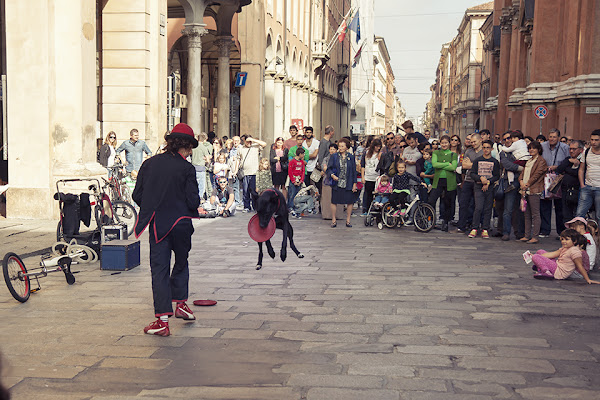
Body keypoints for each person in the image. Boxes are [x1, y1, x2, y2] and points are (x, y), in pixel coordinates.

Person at [132, 123, 200, 337]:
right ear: (187, 147)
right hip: (181, 224)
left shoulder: (149, 164)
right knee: (181, 262)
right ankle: (180, 303)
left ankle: (162, 321)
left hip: (158, 224)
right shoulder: (187, 169)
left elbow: (137, 196)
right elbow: (193, 200)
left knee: (159, 269)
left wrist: (155, 204)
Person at [530, 229, 600, 283]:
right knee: (540, 251)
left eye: (567, 239)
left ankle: (546, 271)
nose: (563, 241)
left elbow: (580, 266)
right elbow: (552, 254)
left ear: (574, 241)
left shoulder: (575, 251)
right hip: (557, 265)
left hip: (559, 271)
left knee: (536, 257)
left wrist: (588, 279)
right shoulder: (565, 248)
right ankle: (541, 266)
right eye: (562, 239)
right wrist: (535, 255)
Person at [468, 140, 501, 239]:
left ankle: (485, 228)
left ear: (491, 149)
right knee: (478, 207)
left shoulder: (495, 162)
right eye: (484, 147)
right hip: (478, 186)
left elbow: (496, 176)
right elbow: (472, 173)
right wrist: (480, 178)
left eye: (488, 148)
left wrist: (488, 182)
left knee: (488, 208)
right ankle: (474, 228)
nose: (486, 150)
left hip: (490, 187)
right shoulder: (478, 160)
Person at [540, 128, 569, 237]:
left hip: (559, 179)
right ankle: (545, 230)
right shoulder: (543, 146)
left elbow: (567, 161)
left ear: (558, 138)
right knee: (545, 205)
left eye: (554, 137)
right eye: (550, 136)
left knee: (559, 206)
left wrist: (558, 167)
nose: (552, 139)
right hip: (545, 178)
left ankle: (561, 231)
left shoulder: (565, 147)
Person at [519, 141, 548, 244]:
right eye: (530, 148)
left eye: (534, 148)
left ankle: (535, 236)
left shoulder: (541, 161)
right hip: (525, 190)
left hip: (534, 189)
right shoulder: (529, 160)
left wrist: (527, 184)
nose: (531, 150)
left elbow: (537, 175)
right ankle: (527, 235)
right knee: (526, 214)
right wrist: (521, 182)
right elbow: (522, 173)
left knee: (535, 214)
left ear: (539, 150)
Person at [428, 135, 458, 232]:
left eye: (446, 142)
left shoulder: (453, 155)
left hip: (450, 181)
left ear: (449, 143)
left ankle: (445, 222)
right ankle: (431, 220)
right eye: (442, 143)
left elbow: (453, 167)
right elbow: (434, 164)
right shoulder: (436, 152)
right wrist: (446, 164)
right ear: (440, 143)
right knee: (432, 200)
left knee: (447, 203)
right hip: (438, 181)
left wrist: (441, 165)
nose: (444, 144)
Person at [500, 132, 525, 241]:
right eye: (505, 139)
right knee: (508, 209)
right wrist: (520, 168)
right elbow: (507, 164)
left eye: (509, 138)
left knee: (520, 209)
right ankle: (506, 232)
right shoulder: (503, 152)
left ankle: (519, 232)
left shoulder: (521, 149)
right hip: (509, 183)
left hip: (522, 182)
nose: (507, 140)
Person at [327, 138, 358, 228]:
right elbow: (329, 168)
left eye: (342, 146)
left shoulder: (351, 157)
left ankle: (348, 220)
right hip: (337, 182)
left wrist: (354, 183)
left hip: (348, 182)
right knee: (334, 201)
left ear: (346, 147)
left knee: (349, 201)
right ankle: (333, 220)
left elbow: (353, 171)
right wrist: (332, 175)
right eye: (339, 146)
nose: (340, 148)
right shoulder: (334, 156)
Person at [457, 133, 483, 233]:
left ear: (480, 140)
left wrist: (471, 165)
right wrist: (475, 165)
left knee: (477, 205)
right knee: (463, 203)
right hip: (468, 180)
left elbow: (483, 166)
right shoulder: (468, 151)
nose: (472, 144)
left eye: (474, 142)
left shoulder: (483, 152)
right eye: (471, 142)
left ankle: (475, 225)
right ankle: (462, 225)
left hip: (479, 181)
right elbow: (464, 165)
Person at [556, 140, 584, 222]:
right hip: (565, 191)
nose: (571, 151)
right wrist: (568, 161)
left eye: (574, 149)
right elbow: (559, 169)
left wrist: (567, 169)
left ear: (580, 150)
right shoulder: (568, 159)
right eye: (570, 149)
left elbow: (577, 173)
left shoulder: (583, 160)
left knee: (577, 215)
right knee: (566, 215)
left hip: (577, 191)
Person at [576, 130, 600, 222]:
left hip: (599, 188)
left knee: (598, 216)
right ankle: (579, 235)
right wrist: (582, 185)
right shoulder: (586, 152)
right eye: (592, 140)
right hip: (587, 187)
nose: (593, 142)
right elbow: (581, 169)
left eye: (596, 140)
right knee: (579, 214)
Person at [239, 135, 266, 212]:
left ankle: (256, 206)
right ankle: (246, 207)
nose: (248, 142)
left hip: (254, 172)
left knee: (254, 191)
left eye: (249, 141)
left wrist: (253, 139)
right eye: (247, 141)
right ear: (244, 141)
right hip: (245, 173)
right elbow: (239, 159)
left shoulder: (256, 147)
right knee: (245, 191)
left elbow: (264, 144)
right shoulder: (241, 148)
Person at [361, 139, 382, 216]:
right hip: (368, 176)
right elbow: (363, 165)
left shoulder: (380, 154)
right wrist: (363, 177)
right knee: (367, 193)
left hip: (377, 177)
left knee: (377, 194)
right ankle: (365, 209)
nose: (378, 148)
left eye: (379, 147)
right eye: (376, 146)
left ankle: (374, 209)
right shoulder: (366, 153)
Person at [190, 132, 212, 202]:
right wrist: (207, 161)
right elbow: (208, 160)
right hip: (201, 168)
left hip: (193, 167)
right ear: (205, 139)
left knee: (194, 184)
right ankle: (199, 199)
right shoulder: (203, 147)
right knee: (201, 186)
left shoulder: (194, 147)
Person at [321, 143, 338, 220]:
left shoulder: (339, 158)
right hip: (327, 179)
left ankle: (337, 215)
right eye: (331, 149)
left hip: (337, 178)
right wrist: (329, 171)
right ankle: (327, 214)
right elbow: (324, 167)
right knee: (326, 197)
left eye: (334, 149)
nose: (332, 150)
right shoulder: (326, 159)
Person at [287, 147, 306, 215]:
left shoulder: (301, 162)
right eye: (303, 154)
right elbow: (290, 171)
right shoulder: (292, 161)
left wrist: (301, 180)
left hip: (299, 179)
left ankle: (296, 206)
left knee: (298, 194)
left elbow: (303, 171)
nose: (304, 155)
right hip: (293, 180)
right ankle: (290, 206)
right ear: (300, 154)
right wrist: (293, 181)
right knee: (292, 193)